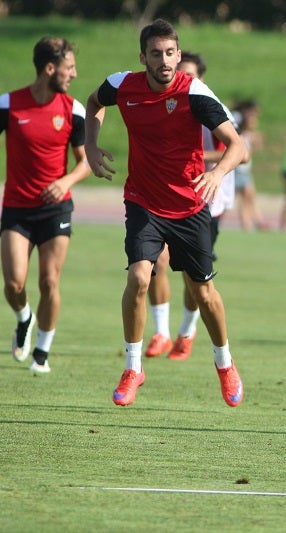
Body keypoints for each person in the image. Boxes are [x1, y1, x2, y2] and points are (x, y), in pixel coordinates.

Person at [84, 19, 246, 407]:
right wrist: (90, 146)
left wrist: (217, 172)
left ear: (178, 54)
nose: (165, 60)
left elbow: (238, 146)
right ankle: (133, 367)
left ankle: (224, 364)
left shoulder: (195, 93)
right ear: (143, 58)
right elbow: (93, 103)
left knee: (203, 293)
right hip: (143, 201)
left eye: (170, 53)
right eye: (156, 54)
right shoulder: (123, 85)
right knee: (140, 276)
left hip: (189, 207)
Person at [0, 37, 91, 374]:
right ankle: (24, 318)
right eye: (69, 68)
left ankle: (41, 351)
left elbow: (85, 163)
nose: (75, 74)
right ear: (49, 69)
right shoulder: (9, 105)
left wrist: (65, 182)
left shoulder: (74, 109)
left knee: (49, 282)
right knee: (13, 285)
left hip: (56, 210)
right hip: (17, 210)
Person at [144, 50, 239, 361]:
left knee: (194, 276)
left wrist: (193, 161)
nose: (183, 78)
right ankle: (160, 333)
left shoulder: (210, 107)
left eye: (191, 74)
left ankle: (186, 331)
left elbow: (235, 150)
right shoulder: (165, 103)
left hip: (208, 200)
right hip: (166, 198)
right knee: (156, 262)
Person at [231, 99, 268, 232]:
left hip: (244, 170)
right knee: (238, 197)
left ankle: (254, 222)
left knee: (248, 196)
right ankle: (250, 222)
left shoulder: (248, 134)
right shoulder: (237, 122)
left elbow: (250, 152)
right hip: (237, 169)